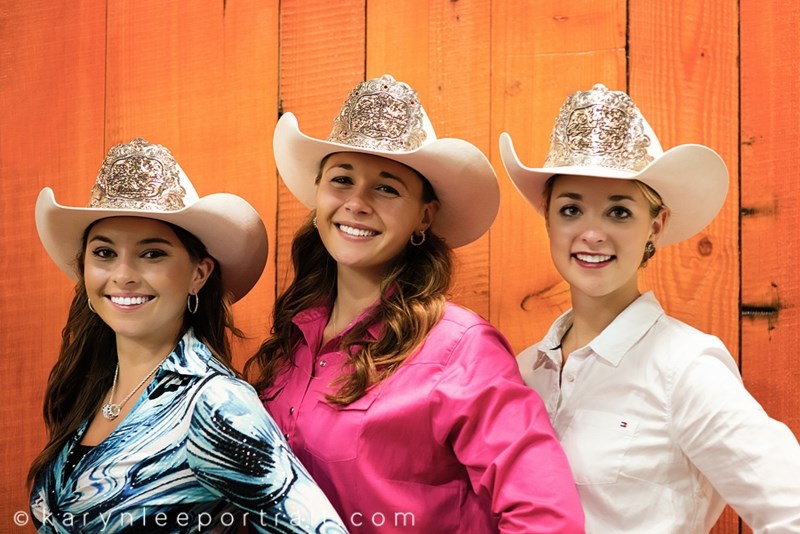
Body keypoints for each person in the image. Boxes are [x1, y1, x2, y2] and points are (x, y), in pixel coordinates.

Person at [244, 74, 584, 533]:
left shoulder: (463, 348)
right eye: (342, 179)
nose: (357, 203)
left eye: (386, 188)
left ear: (424, 215)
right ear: (319, 194)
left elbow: (546, 517)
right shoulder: (294, 337)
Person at [499, 83, 800, 533]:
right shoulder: (526, 371)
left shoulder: (685, 366)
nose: (592, 233)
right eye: (570, 209)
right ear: (548, 219)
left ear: (655, 227)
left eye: (619, 212)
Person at [28, 138, 348, 533]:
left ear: (199, 274)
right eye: (104, 253)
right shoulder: (87, 387)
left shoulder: (215, 404)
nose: (123, 275)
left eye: (152, 254)